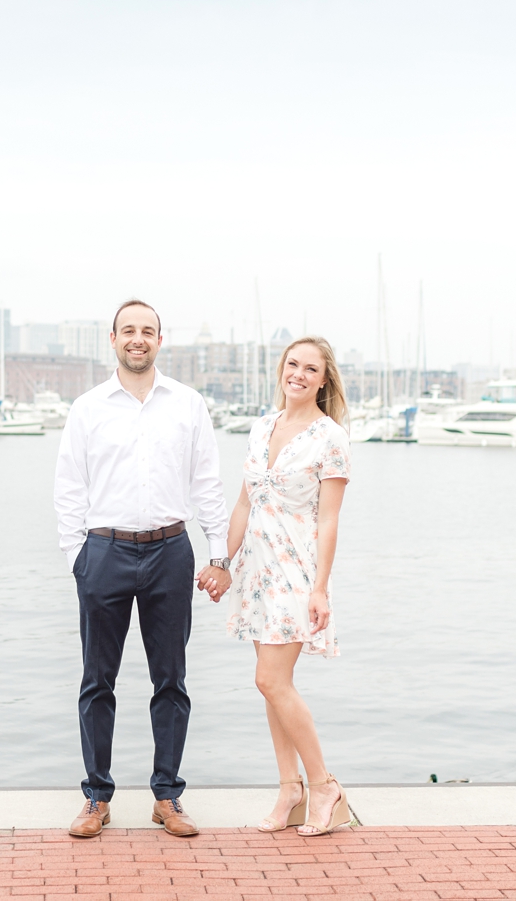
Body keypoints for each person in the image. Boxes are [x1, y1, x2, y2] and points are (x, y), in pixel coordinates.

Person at [53, 299, 230, 838]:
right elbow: (68, 487)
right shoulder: (88, 407)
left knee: (171, 680)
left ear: (160, 339)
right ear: (113, 339)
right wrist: (78, 558)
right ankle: (96, 798)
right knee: (96, 681)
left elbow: (207, 484)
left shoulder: (188, 403)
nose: (138, 339)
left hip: (171, 551)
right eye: (128, 330)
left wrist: (219, 553)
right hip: (103, 552)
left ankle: (167, 797)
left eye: (147, 331)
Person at [196, 335, 353, 836]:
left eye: (311, 369)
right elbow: (243, 504)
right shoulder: (261, 428)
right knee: (272, 684)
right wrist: (222, 561)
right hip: (258, 572)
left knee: (271, 680)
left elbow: (328, 521)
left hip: (297, 571)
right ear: (281, 369)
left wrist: (321, 588)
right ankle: (290, 789)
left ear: (323, 379)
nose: (300, 375)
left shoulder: (331, 438)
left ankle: (324, 786)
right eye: (293, 364)